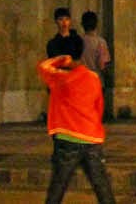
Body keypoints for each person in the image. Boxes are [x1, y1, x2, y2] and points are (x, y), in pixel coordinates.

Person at [38, 39, 116, 204]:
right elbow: (99, 108)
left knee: (58, 187)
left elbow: (43, 66)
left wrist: (61, 59)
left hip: (68, 138)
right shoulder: (93, 78)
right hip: (92, 137)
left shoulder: (60, 78)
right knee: (101, 186)